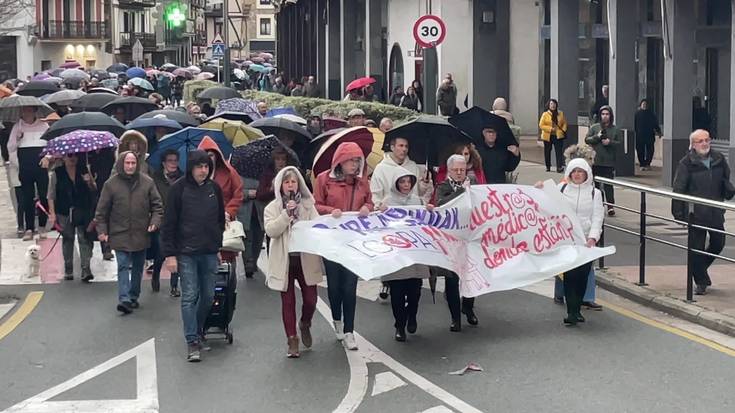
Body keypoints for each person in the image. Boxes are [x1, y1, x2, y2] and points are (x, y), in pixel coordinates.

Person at [161, 150, 225, 362]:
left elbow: (218, 221)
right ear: (191, 168)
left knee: (208, 295)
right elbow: (168, 223)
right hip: (185, 252)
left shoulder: (214, 189)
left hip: (208, 250)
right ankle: (192, 340)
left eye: (206, 166)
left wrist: (217, 247)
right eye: (199, 166)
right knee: (189, 295)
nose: (203, 170)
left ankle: (197, 329)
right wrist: (170, 255)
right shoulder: (178, 189)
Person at [313, 142, 374, 351]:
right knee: (335, 286)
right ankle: (336, 319)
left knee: (350, 287)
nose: (355, 165)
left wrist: (367, 207)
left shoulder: (362, 183)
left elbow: (370, 203)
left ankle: (349, 331)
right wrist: (331, 211)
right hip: (331, 241)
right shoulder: (323, 180)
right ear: (340, 161)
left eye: (358, 160)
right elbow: (316, 205)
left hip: (354, 242)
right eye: (351, 160)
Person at [264, 166, 324, 358]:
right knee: (288, 301)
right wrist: (285, 215)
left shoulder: (308, 206)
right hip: (285, 261)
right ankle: (292, 339)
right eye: (287, 182)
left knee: (310, 299)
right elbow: (271, 231)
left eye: (294, 182)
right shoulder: (272, 208)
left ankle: (305, 323)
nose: (291, 185)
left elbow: (318, 226)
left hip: (305, 258)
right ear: (280, 186)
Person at [95, 151, 163, 315]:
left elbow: (157, 207)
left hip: (141, 232)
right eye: (127, 163)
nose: (130, 166)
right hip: (119, 232)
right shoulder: (111, 184)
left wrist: (154, 222)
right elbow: (101, 211)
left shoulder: (147, 183)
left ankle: (133, 295)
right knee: (123, 265)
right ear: (121, 164)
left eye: (133, 163)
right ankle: (124, 298)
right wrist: (102, 231)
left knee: (138, 266)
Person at [538, 158, 604, 326]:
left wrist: (593, 237)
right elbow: (545, 201)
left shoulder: (594, 193)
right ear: (569, 173)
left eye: (580, 171)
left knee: (582, 276)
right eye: (574, 171)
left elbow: (597, 217)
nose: (577, 175)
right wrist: (539, 188)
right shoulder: (562, 188)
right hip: (566, 239)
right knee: (570, 274)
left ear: (586, 174)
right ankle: (571, 312)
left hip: (586, 240)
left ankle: (577, 308)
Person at [672, 130, 735, 295]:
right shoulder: (686, 163)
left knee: (718, 243)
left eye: (707, 140)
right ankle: (701, 281)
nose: (705, 143)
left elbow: (726, 178)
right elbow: (678, 189)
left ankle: (698, 270)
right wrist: (678, 213)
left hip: (715, 211)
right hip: (696, 213)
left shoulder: (719, 159)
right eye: (700, 141)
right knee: (696, 248)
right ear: (693, 144)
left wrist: (728, 189)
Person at [379, 167, 431, 341]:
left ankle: (412, 316)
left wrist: (429, 209)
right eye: (402, 182)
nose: (406, 185)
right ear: (396, 184)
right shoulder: (388, 202)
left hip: (415, 256)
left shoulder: (418, 201)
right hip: (396, 255)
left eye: (408, 181)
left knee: (415, 293)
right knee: (397, 294)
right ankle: (399, 325)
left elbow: (428, 221)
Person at [434, 154, 477, 331]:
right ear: (449, 170)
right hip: (451, 240)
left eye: (462, 169)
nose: (459, 173)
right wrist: (461, 192)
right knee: (452, 280)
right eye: (456, 170)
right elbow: (442, 204)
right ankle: (455, 317)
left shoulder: (473, 185)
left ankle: (468, 308)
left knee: (471, 276)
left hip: (470, 238)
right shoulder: (443, 186)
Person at [47, 154, 97, 282]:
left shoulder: (84, 169)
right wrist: (52, 214)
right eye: (69, 156)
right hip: (64, 211)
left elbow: (94, 189)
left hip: (82, 209)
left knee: (84, 238)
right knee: (68, 238)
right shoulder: (57, 173)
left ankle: (86, 269)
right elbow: (51, 195)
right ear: (63, 158)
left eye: (75, 155)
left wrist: (89, 182)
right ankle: (68, 268)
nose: (73, 158)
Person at [198, 136, 244, 263]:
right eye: (205, 155)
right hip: (202, 222)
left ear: (217, 156)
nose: (208, 158)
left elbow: (238, 193)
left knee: (226, 256)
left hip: (225, 220)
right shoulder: (195, 175)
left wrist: (228, 212)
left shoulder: (229, 172)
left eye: (211, 155)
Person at [8, 106, 49, 241]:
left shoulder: (44, 125)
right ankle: (29, 228)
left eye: (30, 110)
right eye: (24, 111)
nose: (27, 113)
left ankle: (42, 226)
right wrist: (19, 138)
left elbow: (51, 144)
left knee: (43, 195)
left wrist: (47, 158)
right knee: (27, 198)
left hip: (40, 164)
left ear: (35, 111)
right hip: (25, 165)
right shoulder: (17, 127)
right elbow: (11, 147)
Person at [151, 149, 183, 296]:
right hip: (161, 220)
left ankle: (174, 286)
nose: (173, 164)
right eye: (170, 160)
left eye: (175, 160)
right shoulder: (155, 178)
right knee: (161, 252)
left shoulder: (183, 178)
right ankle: (155, 275)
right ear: (164, 163)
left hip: (178, 220)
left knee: (176, 252)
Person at [371, 136, 432, 209]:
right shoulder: (381, 168)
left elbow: (421, 193)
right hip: (389, 212)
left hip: (412, 211)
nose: (404, 149)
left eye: (406, 146)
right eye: (401, 146)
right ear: (392, 147)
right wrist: (379, 206)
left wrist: (425, 183)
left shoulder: (413, 166)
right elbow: (375, 194)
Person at [585, 105, 620, 216]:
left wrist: (610, 142)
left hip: (609, 162)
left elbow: (619, 144)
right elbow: (587, 139)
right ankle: (598, 204)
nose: (605, 116)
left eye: (607, 114)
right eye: (603, 114)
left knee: (608, 185)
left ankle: (610, 206)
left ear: (611, 116)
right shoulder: (595, 127)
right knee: (596, 185)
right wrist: (597, 137)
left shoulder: (615, 129)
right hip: (596, 161)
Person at [538, 98, 568, 172]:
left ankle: (559, 167)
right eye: (551, 104)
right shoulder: (545, 114)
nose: (553, 105)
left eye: (554, 104)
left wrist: (563, 130)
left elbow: (564, 123)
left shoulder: (560, 113)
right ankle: (548, 166)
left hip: (558, 135)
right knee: (547, 151)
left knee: (559, 151)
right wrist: (550, 129)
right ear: (548, 105)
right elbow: (541, 125)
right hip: (548, 136)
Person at [634, 99, 661, 171]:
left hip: (649, 135)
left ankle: (648, 163)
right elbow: (634, 124)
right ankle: (642, 164)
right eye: (643, 104)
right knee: (640, 150)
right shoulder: (637, 114)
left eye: (646, 104)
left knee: (650, 150)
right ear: (640, 105)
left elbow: (655, 123)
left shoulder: (651, 114)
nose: (644, 105)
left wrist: (659, 131)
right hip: (639, 135)